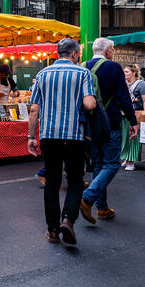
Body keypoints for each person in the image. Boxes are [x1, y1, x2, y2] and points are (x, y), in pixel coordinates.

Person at [27, 38, 96, 245]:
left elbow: (34, 109)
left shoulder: (42, 74)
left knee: (53, 182)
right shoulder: (83, 73)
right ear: (74, 54)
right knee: (75, 180)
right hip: (74, 136)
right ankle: (68, 219)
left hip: (49, 136)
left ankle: (53, 230)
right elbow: (90, 104)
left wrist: (31, 137)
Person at [80, 38, 138, 224]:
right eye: (112, 49)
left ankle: (102, 208)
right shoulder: (113, 68)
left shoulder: (83, 66)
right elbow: (123, 97)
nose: (113, 52)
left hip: (90, 124)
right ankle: (88, 197)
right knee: (112, 164)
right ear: (107, 51)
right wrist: (132, 121)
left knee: (98, 165)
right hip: (110, 122)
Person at [121, 64, 145, 171]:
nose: (124, 74)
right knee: (125, 137)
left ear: (134, 73)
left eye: (127, 72)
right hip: (124, 114)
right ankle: (126, 158)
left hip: (136, 114)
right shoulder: (123, 83)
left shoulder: (141, 84)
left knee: (133, 138)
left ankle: (131, 161)